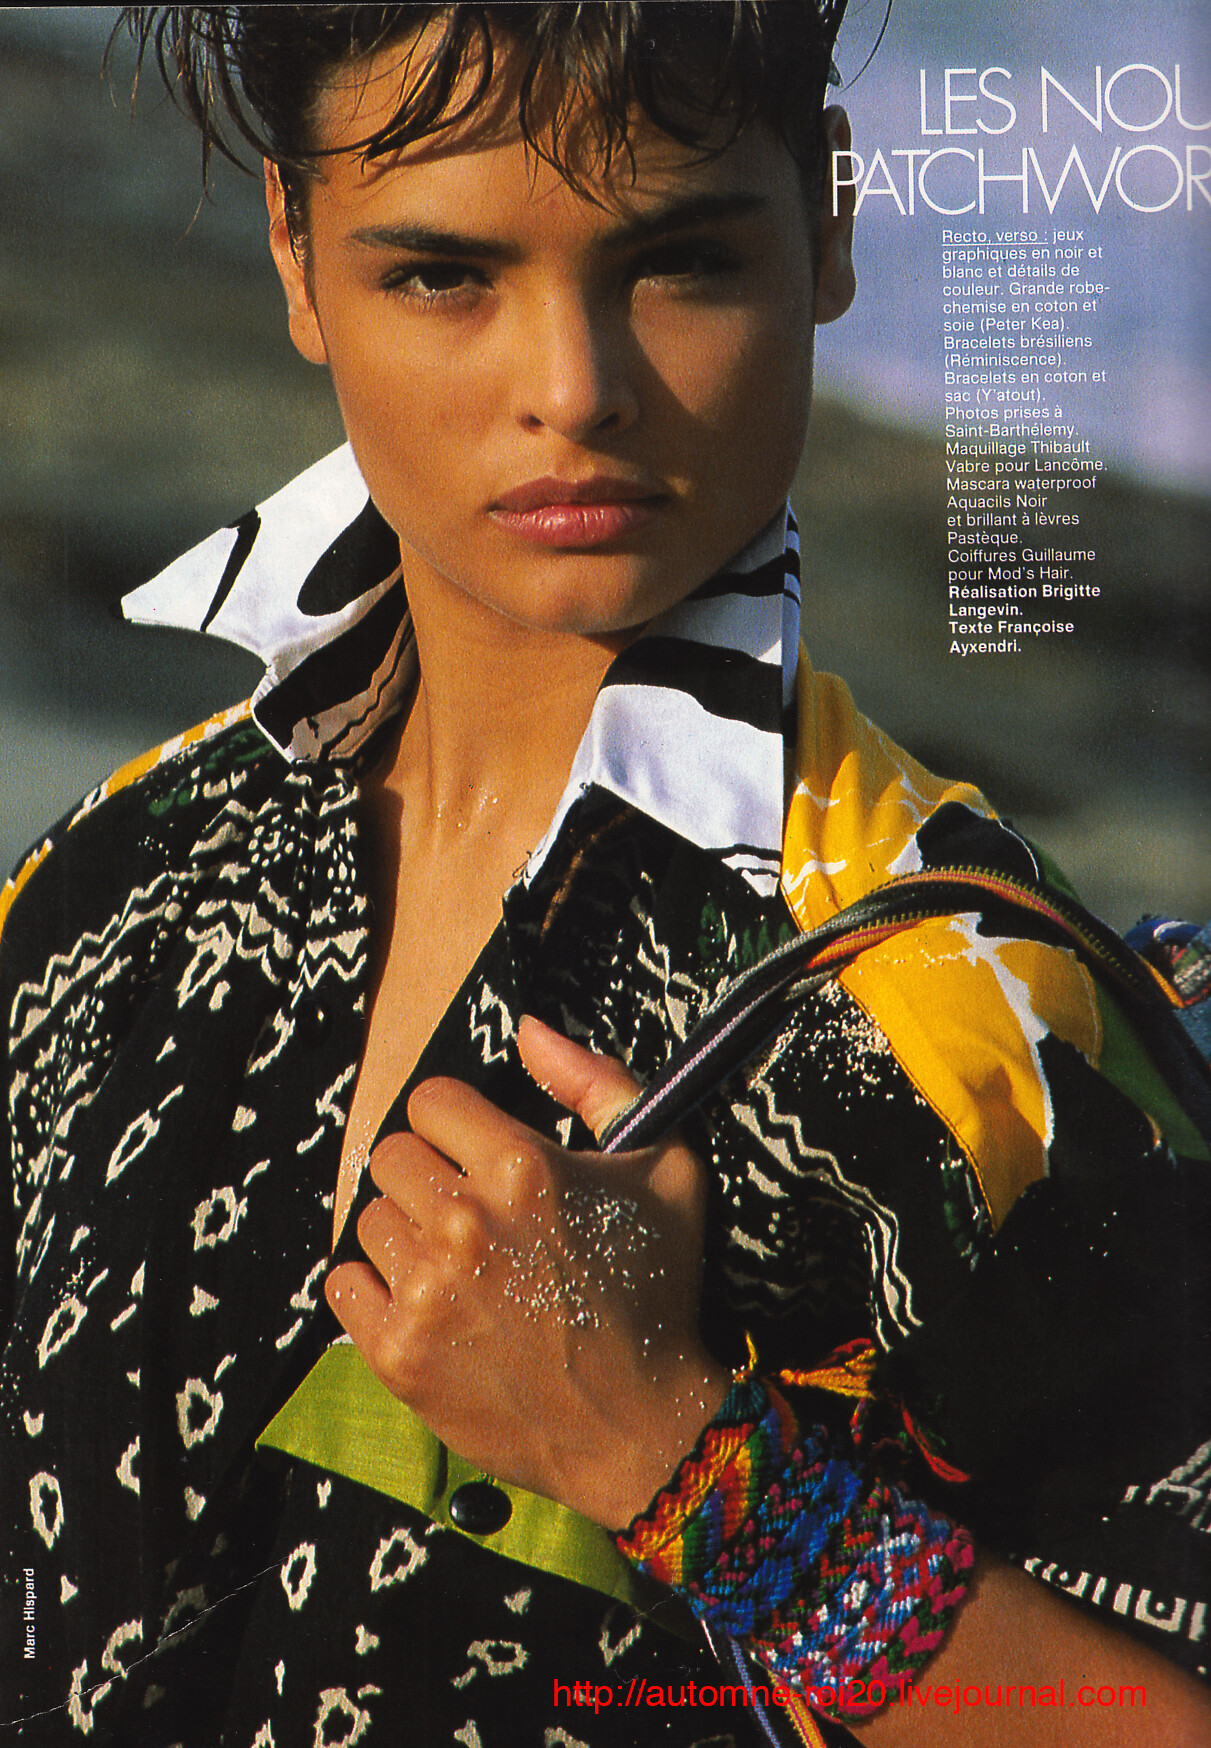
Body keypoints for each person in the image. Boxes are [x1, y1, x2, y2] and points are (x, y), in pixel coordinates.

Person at [2, 5, 1209, 1744]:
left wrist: (670, 1457)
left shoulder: (975, 1021)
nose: (572, 390)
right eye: (442, 275)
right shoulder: (100, 895)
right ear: (295, 252)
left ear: (831, 222)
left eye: (681, 262)